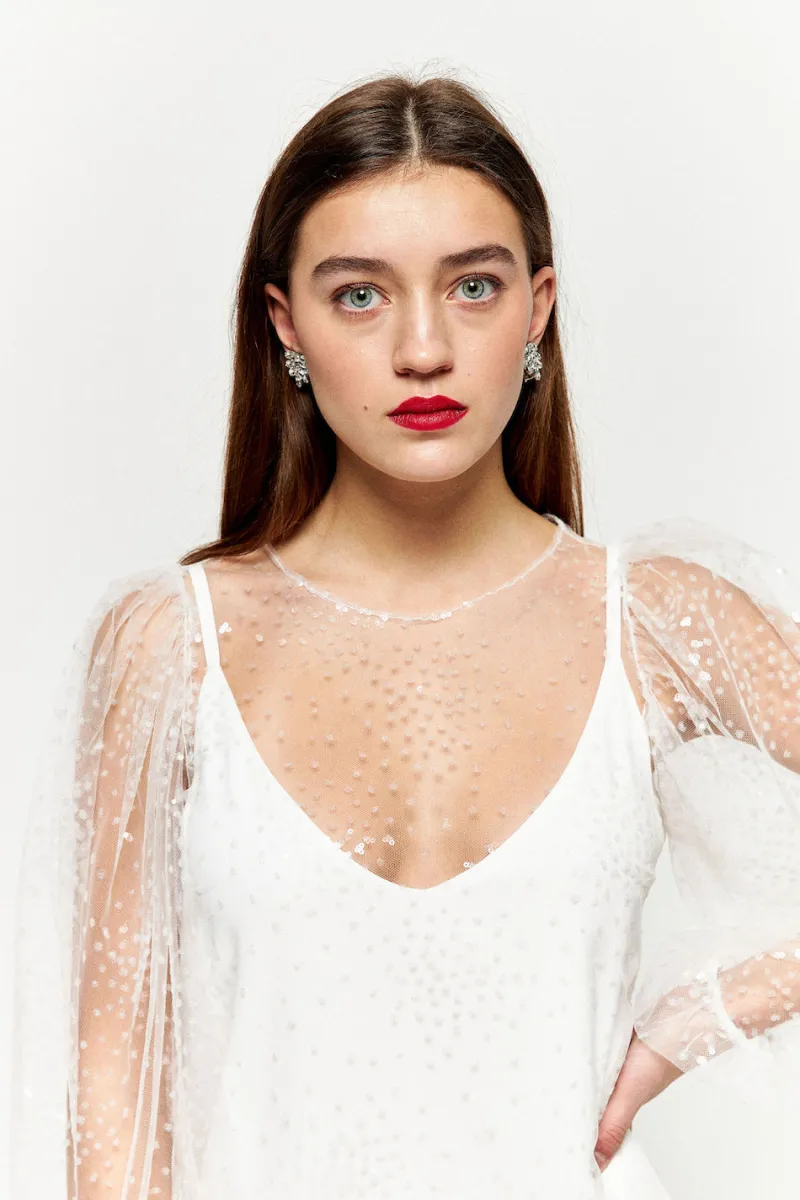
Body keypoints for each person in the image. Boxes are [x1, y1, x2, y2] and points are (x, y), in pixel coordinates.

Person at [10, 70, 800, 1200]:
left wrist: (713, 1007)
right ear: (285, 324)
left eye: (472, 287)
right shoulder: (169, 645)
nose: (423, 349)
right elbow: (114, 1092)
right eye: (360, 296)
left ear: (537, 309)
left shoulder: (654, 621)